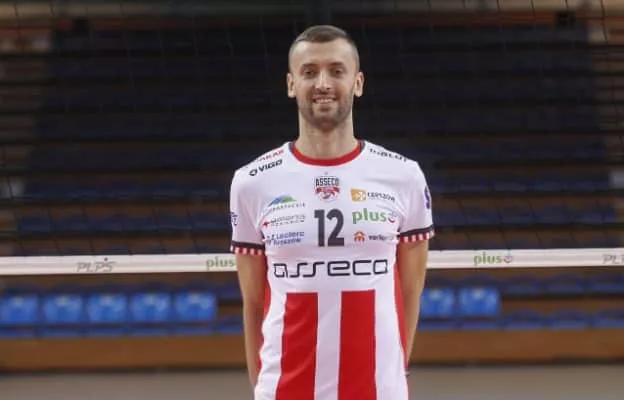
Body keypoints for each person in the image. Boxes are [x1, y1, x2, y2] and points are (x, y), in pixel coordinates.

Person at [229, 24, 434, 400]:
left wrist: (391, 373)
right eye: (309, 72)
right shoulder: (252, 182)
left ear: (358, 83)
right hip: (284, 389)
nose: (322, 83)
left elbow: (411, 291)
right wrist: (262, 386)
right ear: (291, 84)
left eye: (336, 71)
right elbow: (254, 303)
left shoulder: (404, 176)